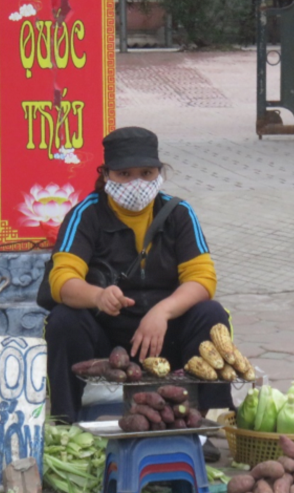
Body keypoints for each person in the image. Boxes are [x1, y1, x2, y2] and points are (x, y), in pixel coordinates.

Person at [43, 126, 233, 460]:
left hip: (164, 340)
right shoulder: (85, 214)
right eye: (125, 174)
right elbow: (62, 280)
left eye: (147, 173)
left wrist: (163, 312)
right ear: (106, 175)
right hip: (106, 345)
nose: (137, 184)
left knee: (212, 315)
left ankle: (206, 427)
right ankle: (65, 426)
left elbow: (203, 279)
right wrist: (97, 296)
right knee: (63, 320)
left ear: (160, 173)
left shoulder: (178, 214)